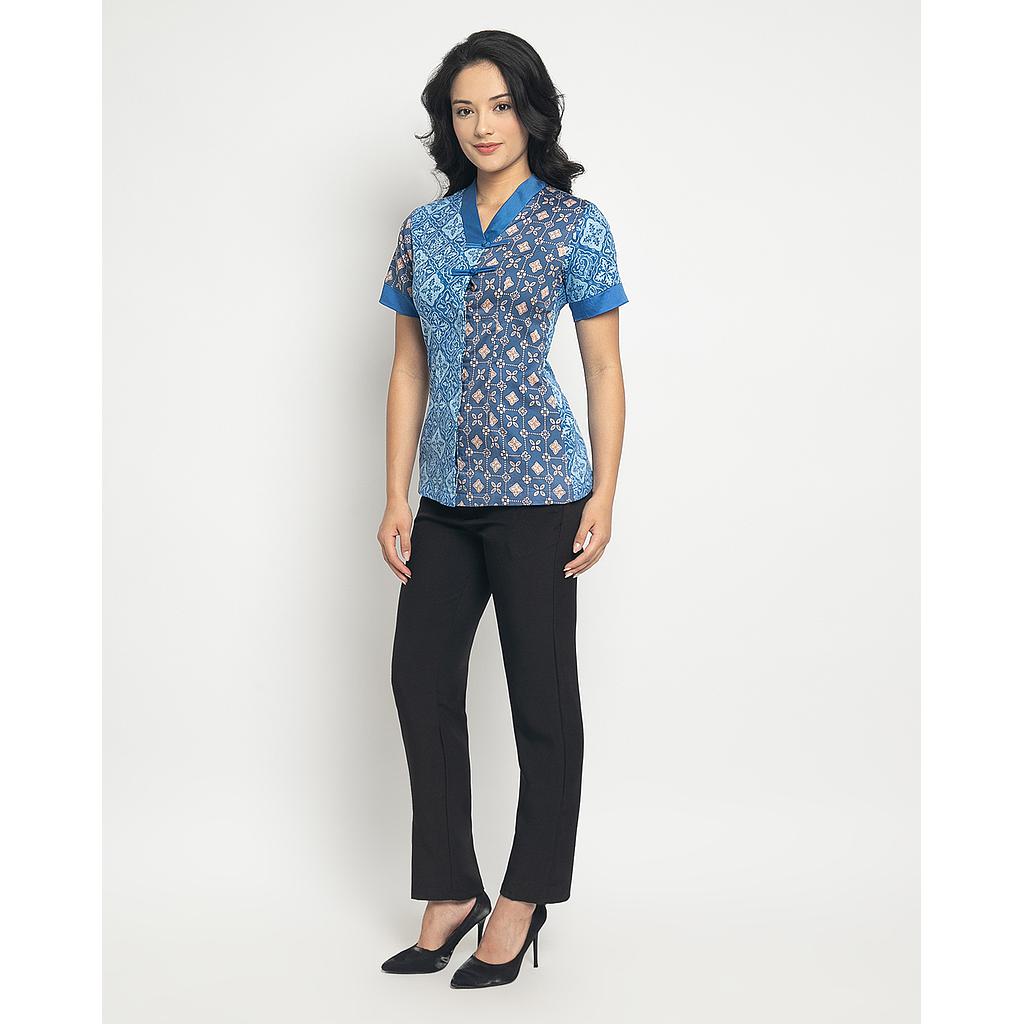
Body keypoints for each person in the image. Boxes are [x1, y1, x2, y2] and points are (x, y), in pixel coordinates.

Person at [376, 30, 628, 989]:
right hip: (445, 497)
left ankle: (524, 899)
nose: (482, 125)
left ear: (531, 112)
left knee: (542, 702)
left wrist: (604, 491)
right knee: (419, 679)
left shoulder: (576, 225)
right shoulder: (426, 228)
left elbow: (602, 367)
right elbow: (409, 365)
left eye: (499, 106)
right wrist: (395, 493)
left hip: (541, 495)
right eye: (463, 110)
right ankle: (451, 888)